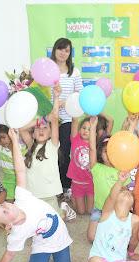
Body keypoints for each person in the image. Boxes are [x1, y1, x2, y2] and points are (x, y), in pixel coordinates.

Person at [0, 129, 72, 262]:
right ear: (8, 226)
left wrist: (15, 142)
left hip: (60, 234)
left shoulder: (21, 198)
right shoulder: (16, 234)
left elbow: (20, 170)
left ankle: (63, 213)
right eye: (4, 212)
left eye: (3, 205)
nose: (7, 206)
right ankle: (45, 256)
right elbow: (9, 255)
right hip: (42, 244)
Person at [19, 84, 76, 221]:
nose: (41, 130)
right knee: (34, 221)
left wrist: (56, 97)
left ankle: (63, 209)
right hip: (33, 195)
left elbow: (54, 118)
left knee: (53, 221)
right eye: (38, 129)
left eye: (45, 128)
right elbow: (21, 128)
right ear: (33, 134)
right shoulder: (30, 145)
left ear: (51, 133)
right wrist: (41, 120)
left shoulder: (52, 145)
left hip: (50, 193)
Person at [50, 38, 84, 200]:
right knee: (49, 154)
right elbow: (41, 94)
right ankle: (52, 187)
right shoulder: (48, 70)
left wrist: (66, 102)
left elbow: (80, 95)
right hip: (49, 119)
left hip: (67, 120)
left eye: (67, 50)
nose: (63, 53)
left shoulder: (74, 72)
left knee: (63, 154)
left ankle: (66, 185)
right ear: (55, 50)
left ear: (70, 54)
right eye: (60, 49)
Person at [87, 116, 130, 242]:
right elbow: (92, 148)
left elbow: (127, 145)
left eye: (112, 152)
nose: (109, 155)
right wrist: (93, 126)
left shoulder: (121, 170)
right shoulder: (96, 167)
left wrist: (129, 126)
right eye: (106, 151)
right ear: (101, 153)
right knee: (91, 237)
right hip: (99, 209)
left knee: (118, 237)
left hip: (116, 210)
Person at [0, 109, 27, 201]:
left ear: (10, 135)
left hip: (22, 178)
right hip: (8, 180)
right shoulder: (1, 149)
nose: (2, 141)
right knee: (9, 202)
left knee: (22, 202)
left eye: (4, 137)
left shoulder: (21, 148)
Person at [67, 116, 94, 215]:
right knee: (81, 212)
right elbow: (74, 121)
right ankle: (72, 195)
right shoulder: (75, 139)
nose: (86, 131)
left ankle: (79, 196)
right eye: (83, 128)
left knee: (90, 211)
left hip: (91, 181)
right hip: (77, 181)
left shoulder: (93, 143)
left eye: (89, 129)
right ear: (79, 129)